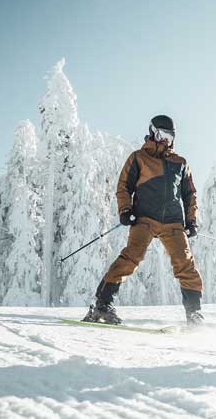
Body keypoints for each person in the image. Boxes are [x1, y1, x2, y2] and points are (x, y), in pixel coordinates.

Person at [83, 115, 205, 327]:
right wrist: (125, 209)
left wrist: (191, 220)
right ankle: (102, 304)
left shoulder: (180, 163)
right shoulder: (138, 158)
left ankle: (194, 314)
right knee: (131, 258)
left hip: (173, 222)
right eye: (160, 135)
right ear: (152, 132)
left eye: (169, 136)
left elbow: (190, 195)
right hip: (145, 218)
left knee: (185, 264)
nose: (164, 140)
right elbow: (124, 186)